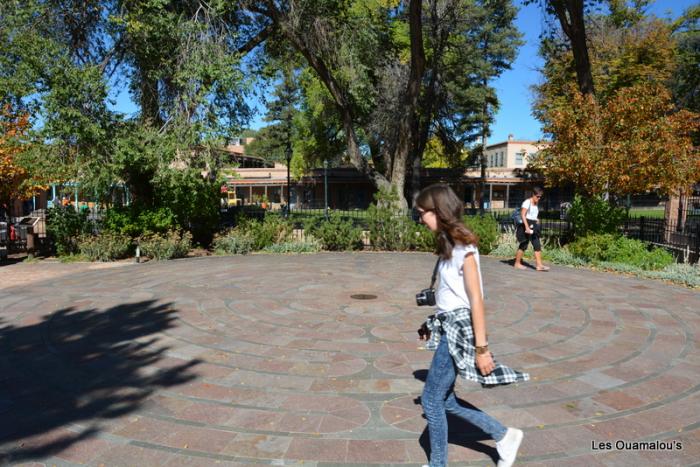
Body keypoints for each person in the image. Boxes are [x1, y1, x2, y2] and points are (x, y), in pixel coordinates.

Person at [415, 184, 529, 467]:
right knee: (446, 400)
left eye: (423, 213)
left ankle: (438, 465)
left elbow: (475, 299)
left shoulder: (463, 248)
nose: (420, 219)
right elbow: (450, 296)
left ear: (438, 211)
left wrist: (482, 348)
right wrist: (433, 323)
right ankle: (504, 436)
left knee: (431, 400)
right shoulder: (449, 245)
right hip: (449, 326)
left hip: (460, 331)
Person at [513, 186, 549, 271]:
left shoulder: (536, 204)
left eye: (540, 196)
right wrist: (527, 227)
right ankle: (517, 263)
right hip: (526, 225)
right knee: (524, 244)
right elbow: (523, 215)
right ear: (533, 194)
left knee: (537, 244)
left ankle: (539, 265)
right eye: (537, 196)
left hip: (533, 225)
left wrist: (536, 219)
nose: (539, 198)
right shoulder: (527, 202)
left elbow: (532, 215)